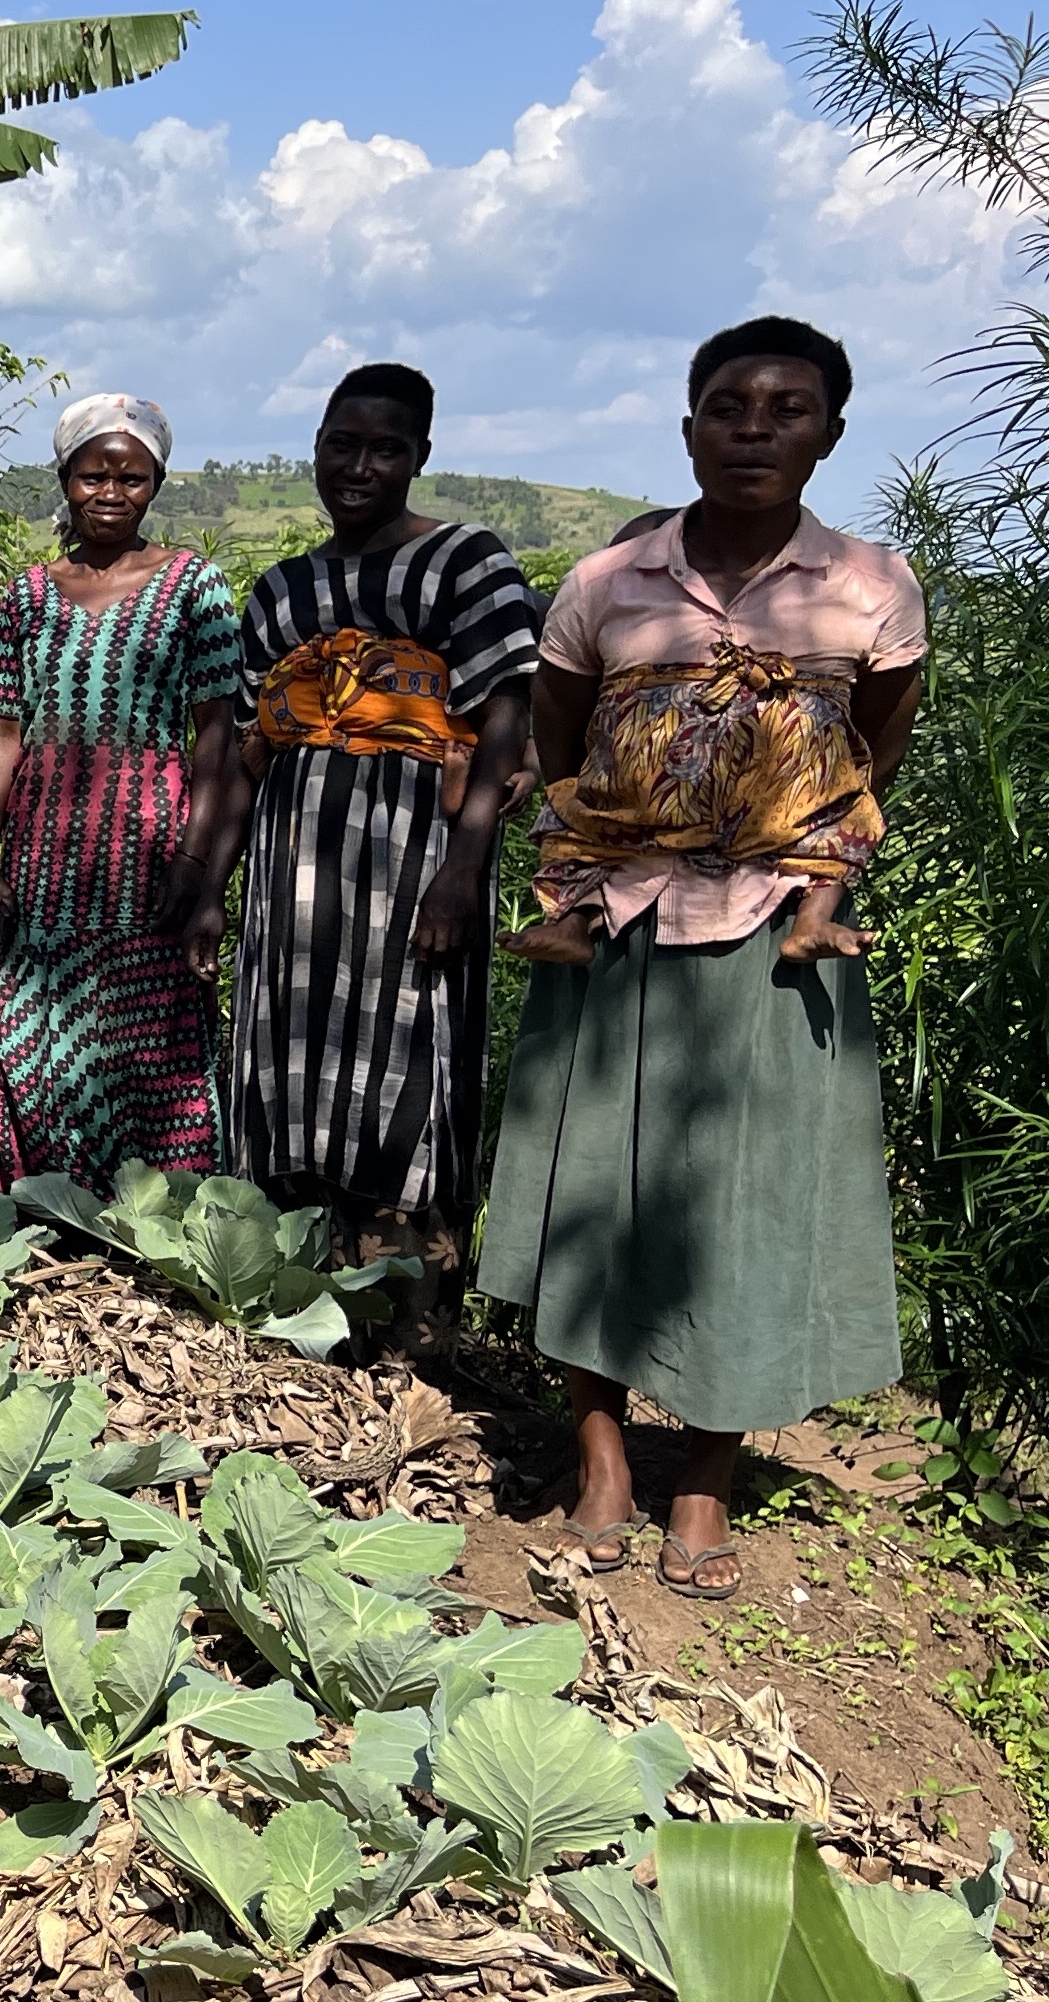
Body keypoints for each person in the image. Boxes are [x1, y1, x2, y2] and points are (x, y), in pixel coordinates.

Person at [479, 319, 924, 1595]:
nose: (755, 429)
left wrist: (766, 828)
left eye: (788, 409)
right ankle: (605, 1459)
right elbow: (562, 740)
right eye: (729, 406)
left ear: (829, 433)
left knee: (752, 1198)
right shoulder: (608, 580)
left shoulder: (871, 588)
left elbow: (873, 751)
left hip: (783, 930)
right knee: (590, 1189)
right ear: (688, 427)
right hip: (616, 917)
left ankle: (708, 1477)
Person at [226, 365, 536, 1314]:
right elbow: (246, 751)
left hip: (412, 861)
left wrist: (461, 870)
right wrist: (213, 883)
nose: (358, 467)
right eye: (340, 444)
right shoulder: (281, 591)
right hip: (291, 863)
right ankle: (293, 1296)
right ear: (313, 448)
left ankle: (409, 1317)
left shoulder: (464, 564)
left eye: (385, 448)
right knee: (288, 1050)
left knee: (406, 1055)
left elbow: (503, 723)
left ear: (420, 457)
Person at [0, 394, 242, 1189]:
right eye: (92, 476)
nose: (109, 494)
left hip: (151, 852)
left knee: (145, 1042)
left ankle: (145, 1217)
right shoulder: (29, 595)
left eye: (131, 478)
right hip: (45, 856)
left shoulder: (193, 587)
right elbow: (2, 732)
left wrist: (198, 866)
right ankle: (28, 1204)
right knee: (25, 1032)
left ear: (155, 485)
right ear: (64, 479)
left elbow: (215, 735)